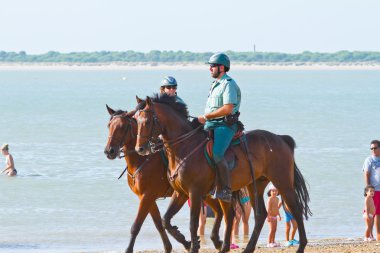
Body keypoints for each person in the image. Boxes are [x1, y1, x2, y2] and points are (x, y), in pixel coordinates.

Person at [197, 53, 241, 202]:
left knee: (217, 153)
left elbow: (228, 108)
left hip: (225, 125)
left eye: (212, 66)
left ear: (221, 67)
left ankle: (226, 190)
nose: (210, 69)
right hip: (210, 123)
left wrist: (207, 117)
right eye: (210, 66)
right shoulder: (215, 84)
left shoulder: (228, 84)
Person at [362, 140, 380, 241]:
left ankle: (378, 234)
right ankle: (370, 235)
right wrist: (368, 190)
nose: (373, 150)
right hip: (374, 191)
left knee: (379, 213)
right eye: (371, 148)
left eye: (375, 148)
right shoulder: (369, 160)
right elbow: (366, 174)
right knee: (372, 213)